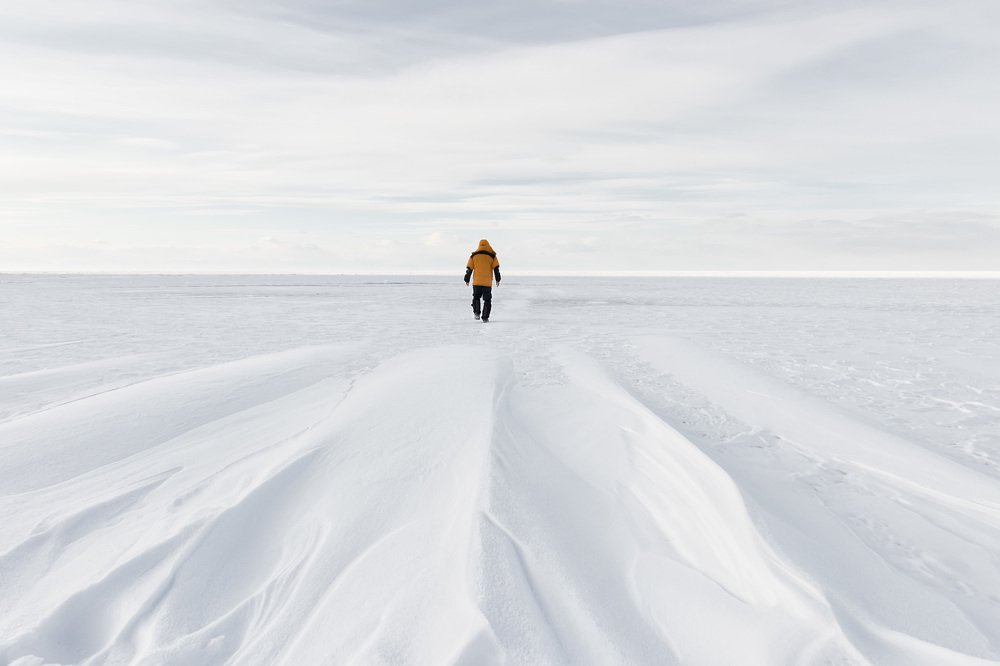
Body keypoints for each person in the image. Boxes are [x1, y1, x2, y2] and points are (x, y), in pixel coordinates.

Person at [464, 239, 501, 322]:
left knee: (476, 297)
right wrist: (498, 279)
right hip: (487, 283)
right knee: (487, 300)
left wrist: (467, 279)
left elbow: (469, 269)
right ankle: (485, 317)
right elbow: (496, 269)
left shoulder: (474, 256)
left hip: (477, 282)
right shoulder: (492, 256)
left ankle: (476, 313)